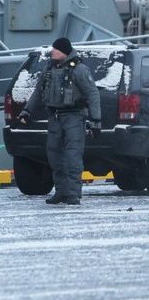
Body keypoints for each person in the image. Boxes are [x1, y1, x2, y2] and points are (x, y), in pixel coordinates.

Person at [19, 38, 101, 206]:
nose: (52, 51)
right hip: (55, 117)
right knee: (54, 155)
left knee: (73, 156)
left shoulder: (79, 70)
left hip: (74, 117)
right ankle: (61, 191)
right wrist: (27, 111)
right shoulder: (49, 68)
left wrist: (96, 120)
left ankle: (73, 193)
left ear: (64, 51)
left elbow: (93, 94)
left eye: (56, 49)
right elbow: (38, 92)